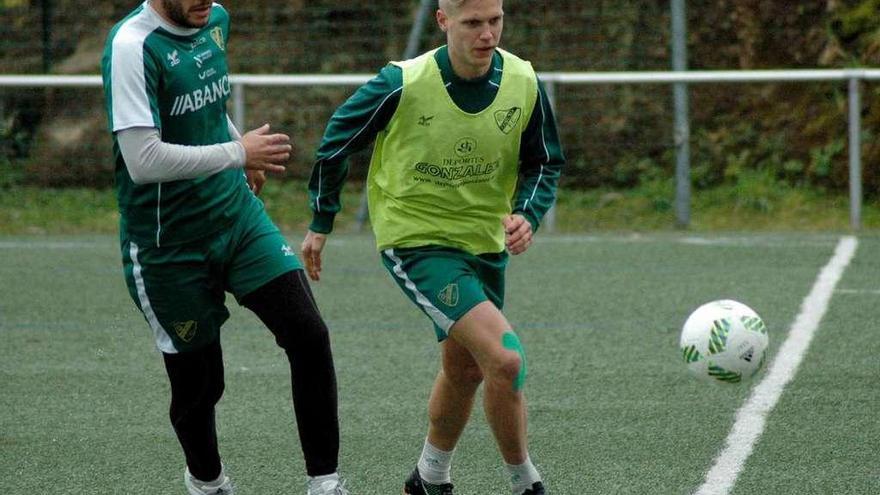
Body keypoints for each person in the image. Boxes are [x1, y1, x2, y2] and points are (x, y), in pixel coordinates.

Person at [301, 0, 564, 493]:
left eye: (495, 21)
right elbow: (337, 139)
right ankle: (525, 482)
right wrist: (321, 221)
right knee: (505, 359)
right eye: (472, 24)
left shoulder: (523, 81)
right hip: (415, 240)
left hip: (484, 243)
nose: (487, 34)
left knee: (463, 368)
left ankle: (429, 475)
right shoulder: (402, 82)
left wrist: (527, 214)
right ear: (443, 22)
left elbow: (545, 161)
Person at [101, 2, 348, 494]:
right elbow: (143, 160)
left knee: (308, 334)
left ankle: (325, 482)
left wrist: (238, 157)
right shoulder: (132, 47)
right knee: (201, 384)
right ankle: (208, 483)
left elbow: (209, 110)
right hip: (166, 245)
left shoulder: (214, 18)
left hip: (236, 217)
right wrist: (240, 153)